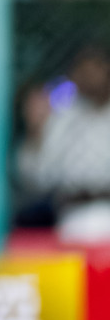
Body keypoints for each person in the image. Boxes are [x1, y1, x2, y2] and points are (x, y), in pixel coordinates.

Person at [33, 45, 110, 241]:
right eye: (84, 71)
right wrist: (36, 132)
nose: (91, 77)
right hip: (74, 215)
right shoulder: (62, 117)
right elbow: (42, 175)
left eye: (97, 69)